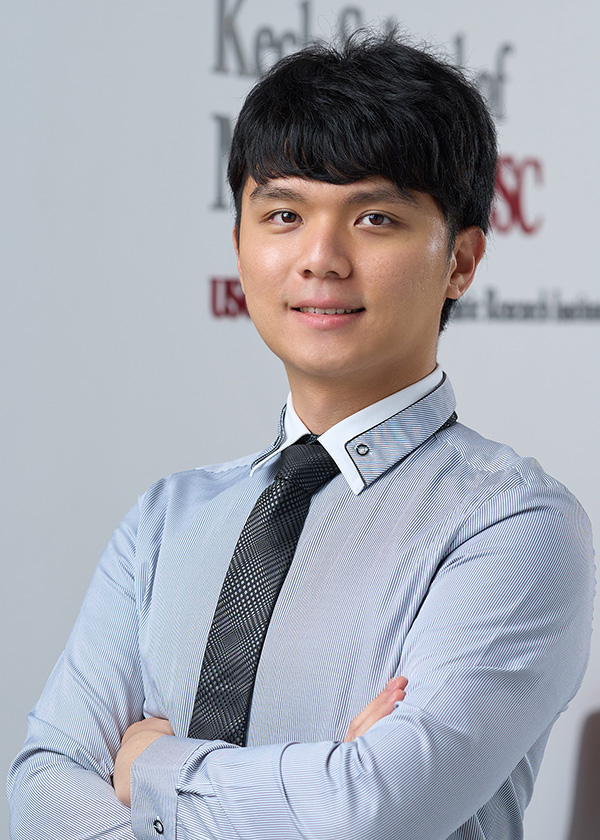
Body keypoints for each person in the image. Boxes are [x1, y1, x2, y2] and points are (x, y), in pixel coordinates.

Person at [8, 31, 594, 840]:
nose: (320, 258)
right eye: (283, 214)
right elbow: (40, 791)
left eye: (376, 218)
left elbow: (367, 812)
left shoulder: (514, 526)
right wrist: (314, 784)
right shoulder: (166, 523)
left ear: (460, 261)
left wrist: (149, 767)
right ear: (240, 245)